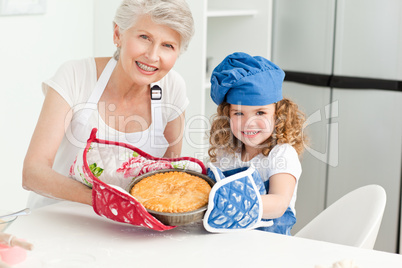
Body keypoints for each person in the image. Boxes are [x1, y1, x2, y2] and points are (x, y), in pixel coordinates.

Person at [22, 0, 194, 209]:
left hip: (125, 229)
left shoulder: (173, 88)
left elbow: (169, 176)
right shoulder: (76, 76)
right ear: (117, 35)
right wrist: (109, 201)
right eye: (144, 37)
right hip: (56, 219)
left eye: (168, 45)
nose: (152, 55)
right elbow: (33, 173)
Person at [207, 52, 307, 235]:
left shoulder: (282, 154)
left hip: (271, 246)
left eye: (260, 113)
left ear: (278, 115)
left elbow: (278, 204)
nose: (249, 123)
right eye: (238, 113)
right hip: (232, 240)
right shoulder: (227, 152)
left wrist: (221, 203)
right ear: (226, 116)